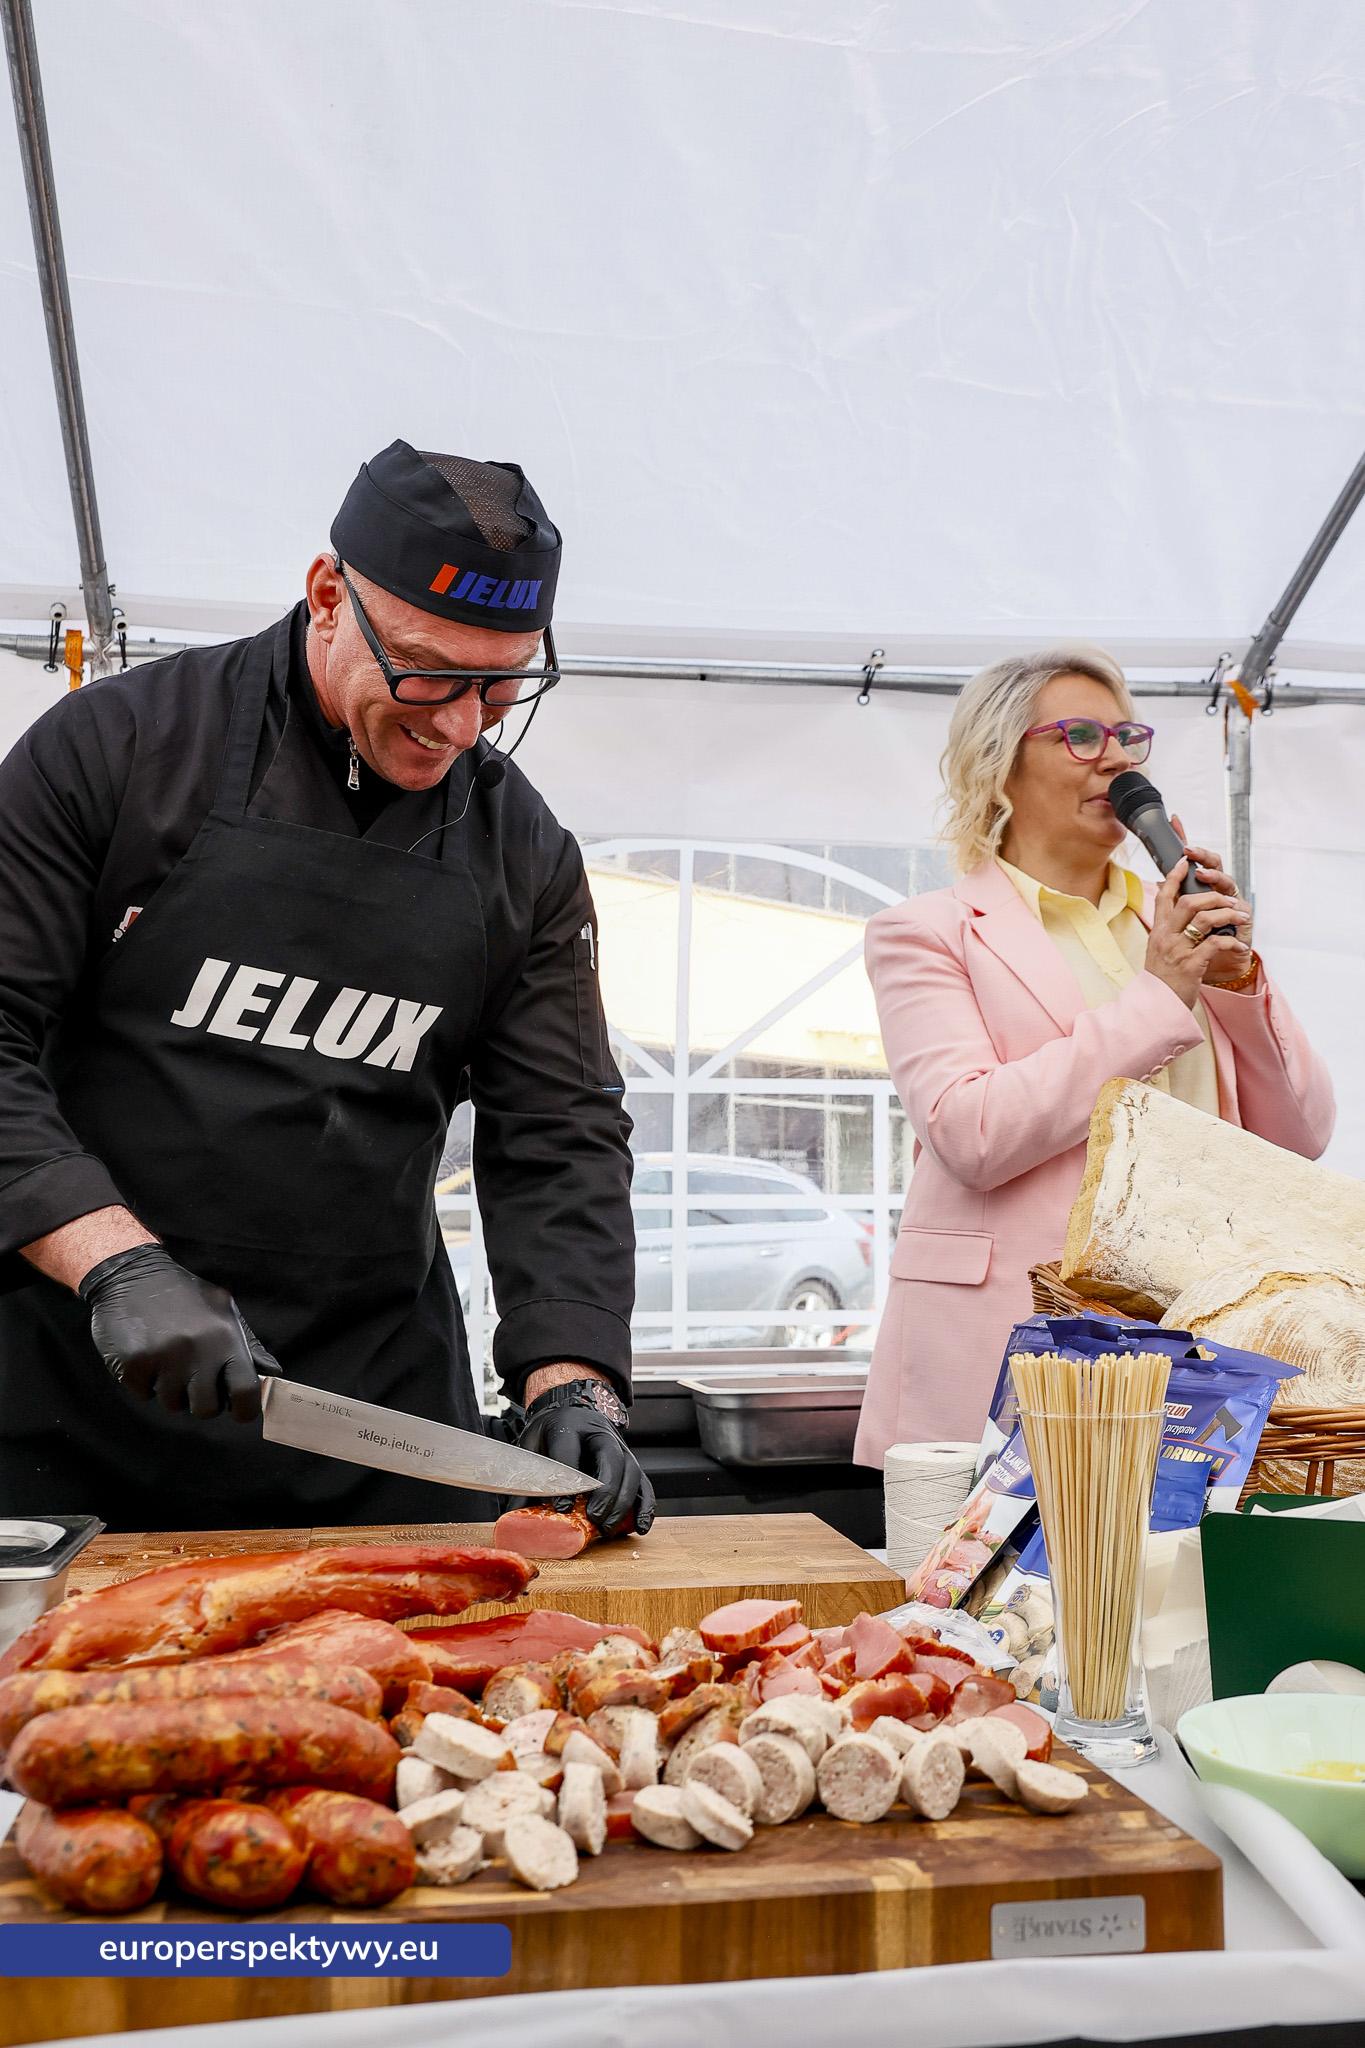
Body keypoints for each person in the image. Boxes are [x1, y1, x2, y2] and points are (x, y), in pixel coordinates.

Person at [0, 440, 654, 1538]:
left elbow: (562, 1130)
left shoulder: (524, 849)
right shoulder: (116, 752)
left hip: (371, 1414)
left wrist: (573, 1382)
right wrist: (117, 1263)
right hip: (77, 1391)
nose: (457, 723)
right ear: (325, 597)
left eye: (501, 686)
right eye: (427, 672)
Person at [854, 645, 1334, 1464]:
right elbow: (969, 1132)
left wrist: (1238, 980)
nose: (1113, 757)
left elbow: (1299, 1136)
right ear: (998, 766)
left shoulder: (1175, 927)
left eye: (1125, 736)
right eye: (1078, 735)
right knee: (998, 1594)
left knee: (1173, 1588)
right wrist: (1158, 998)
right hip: (1008, 1345)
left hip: (1185, 1336)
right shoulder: (926, 932)